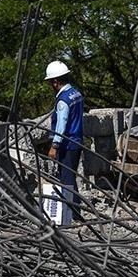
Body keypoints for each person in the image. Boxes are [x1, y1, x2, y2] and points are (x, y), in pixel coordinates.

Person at [45, 60, 85, 224]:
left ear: (55, 82)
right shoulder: (76, 94)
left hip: (67, 145)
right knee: (71, 177)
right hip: (77, 141)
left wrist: (54, 146)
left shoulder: (63, 100)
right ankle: (75, 212)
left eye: (50, 82)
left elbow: (61, 124)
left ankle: (72, 214)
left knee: (67, 180)